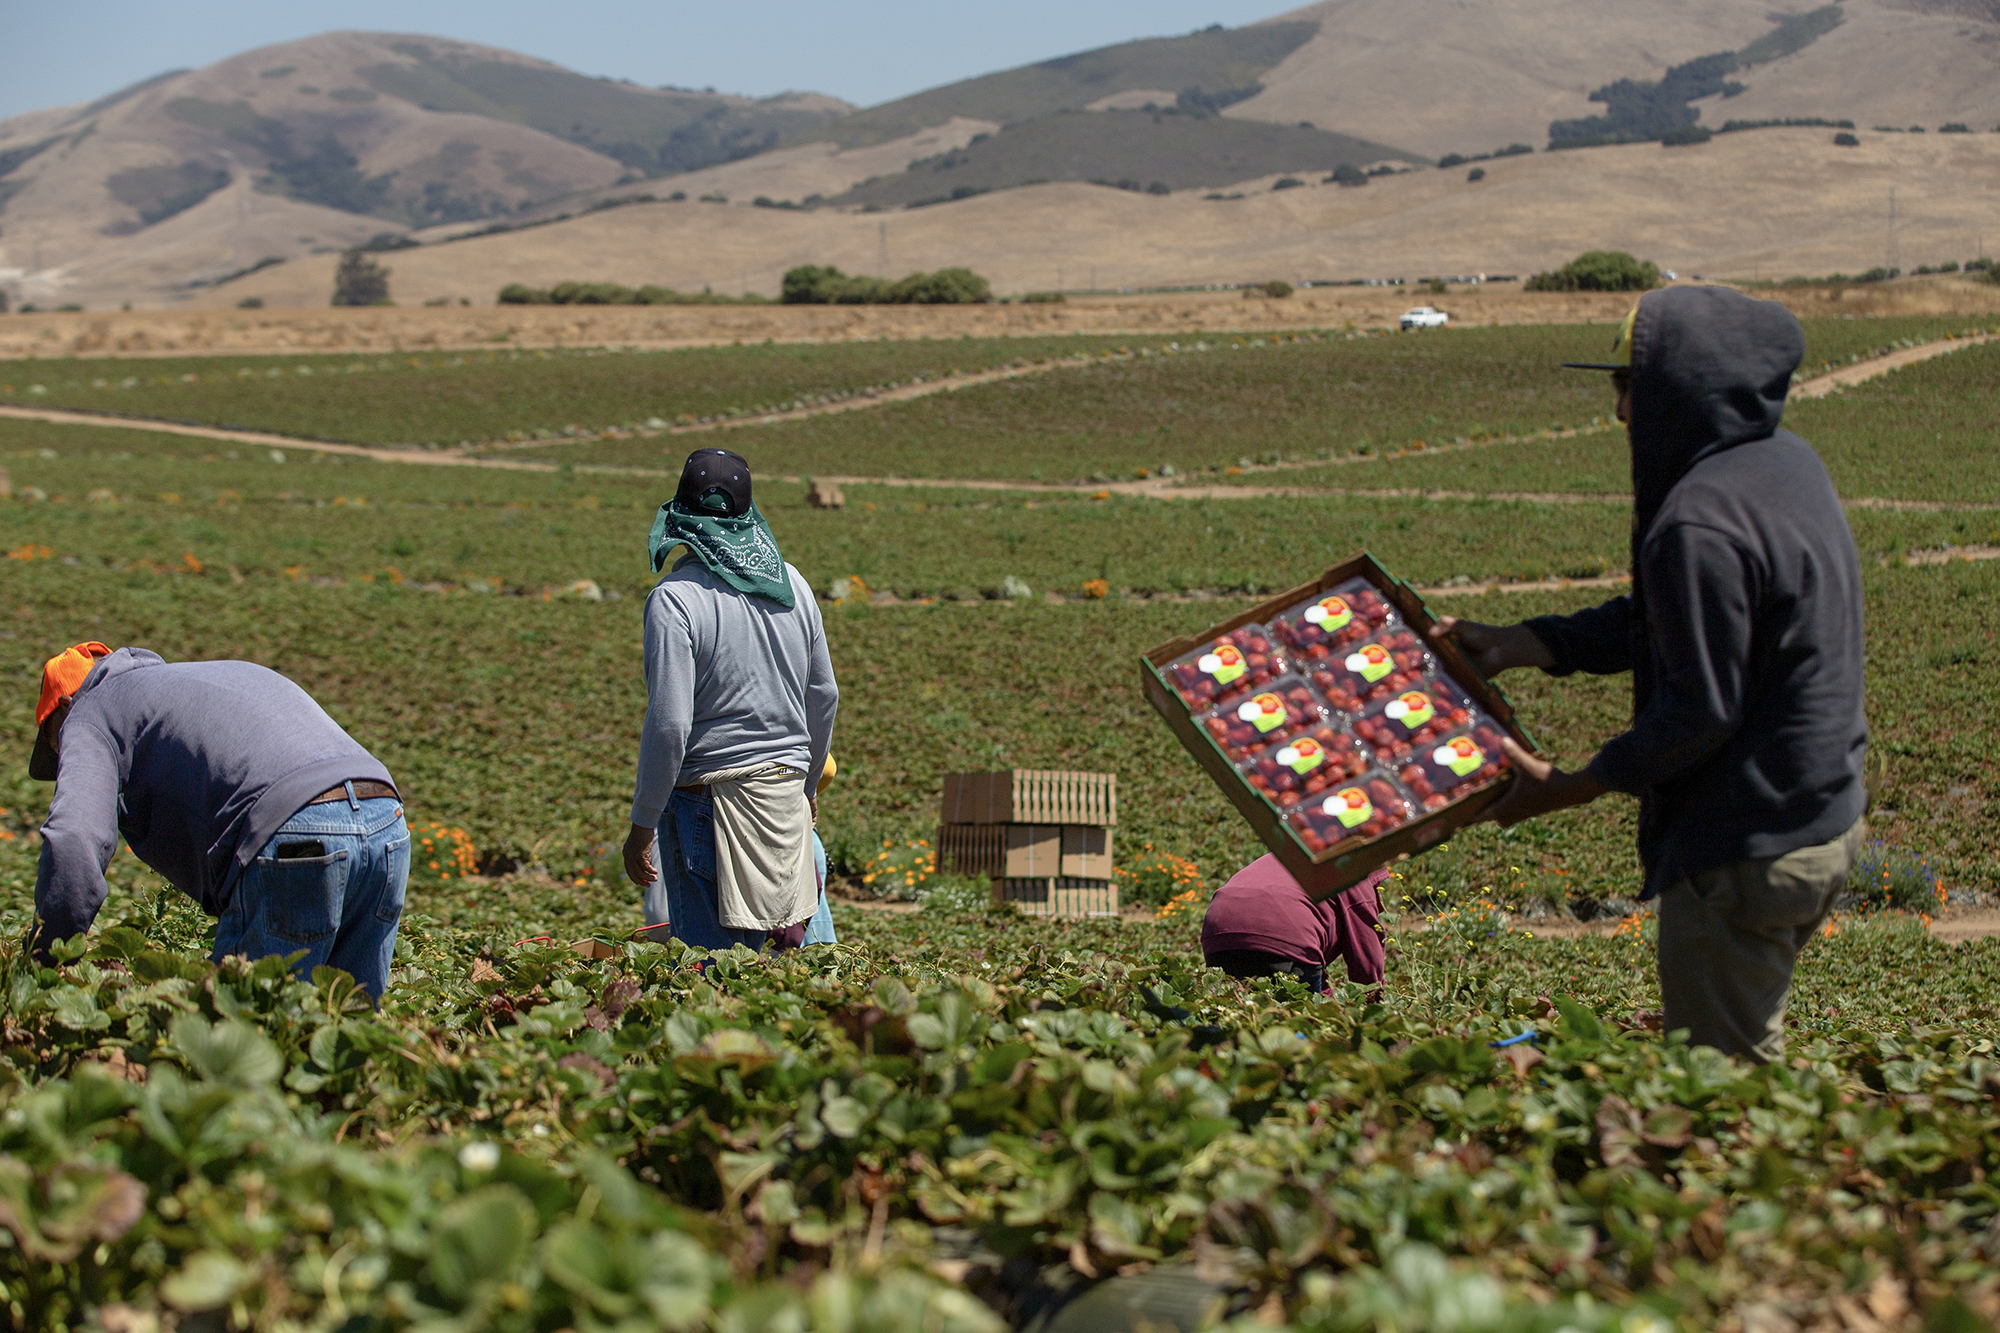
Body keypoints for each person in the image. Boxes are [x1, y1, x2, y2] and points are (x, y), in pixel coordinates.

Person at [1434, 285, 1867, 1063]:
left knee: (1722, 1091)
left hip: (1743, 846)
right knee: (1743, 1050)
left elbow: (1702, 706)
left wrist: (1570, 783)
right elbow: (1683, 620)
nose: (1620, 413)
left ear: (1675, 388)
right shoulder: (1780, 463)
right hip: (1819, 816)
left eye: (1627, 385)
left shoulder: (1696, 520)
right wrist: (1527, 642)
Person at [29, 641, 408, 998]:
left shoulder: (88, 712)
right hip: (386, 820)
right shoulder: (194, 680)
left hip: (294, 829)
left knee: (242, 1035)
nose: (63, 759)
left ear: (64, 705)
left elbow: (75, 840)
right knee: (344, 1028)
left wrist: (43, 961)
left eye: (54, 743)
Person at [623, 449, 839, 953]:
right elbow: (824, 695)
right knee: (778, 982)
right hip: (785, 804)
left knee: (712, 987)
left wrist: (643, 825)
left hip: (708, 805)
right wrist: (806, 787)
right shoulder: (795, 587)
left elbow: (671, 725)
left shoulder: (675, 599)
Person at [1201, 857, 1392, 992]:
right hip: (1283, 932)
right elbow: (1367, 967)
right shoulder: (1357, 875)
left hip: (1218, 928)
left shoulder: (1295, 854)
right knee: (1300, 1027)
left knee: (1234, 1014)